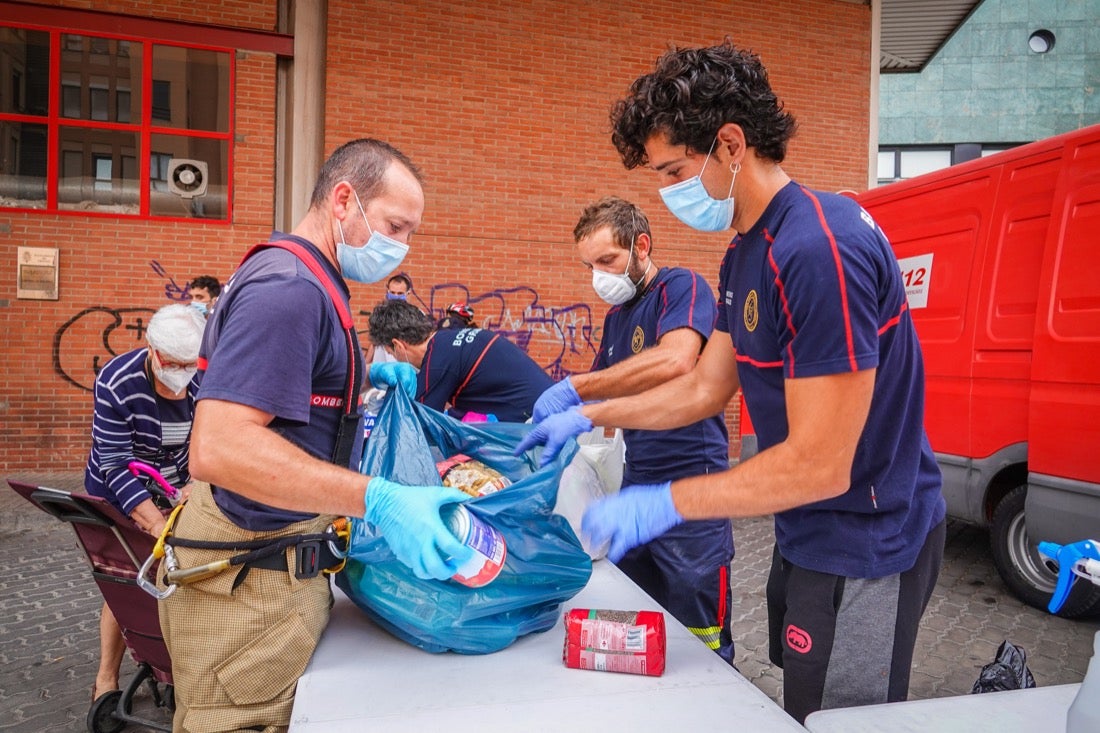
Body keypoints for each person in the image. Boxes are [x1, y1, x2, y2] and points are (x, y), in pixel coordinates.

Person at [518, 41, 946, 724]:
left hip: (868, 539)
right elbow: (703, 389)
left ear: (731, 143)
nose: (667, 191)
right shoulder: (747, 249)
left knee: (836, 716)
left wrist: (670, 502)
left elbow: (821, 461)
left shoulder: (815, 250)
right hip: (809, 532)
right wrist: (589, 410)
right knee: (798, 695)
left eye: (675, 170)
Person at [160, 138, 475, 732]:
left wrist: (357, 387)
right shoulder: (290, 290)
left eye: (411, 233)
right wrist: (376, 499)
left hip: (268, 566)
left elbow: (285, 402)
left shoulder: (305, 276)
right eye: (394, 226)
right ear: (344, 199)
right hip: (249, 587)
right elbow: (219, 447)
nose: (402, 247)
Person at [532, 196, 735, 662]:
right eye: (589, 266)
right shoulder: (616, 316)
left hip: (692, 496)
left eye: (607, 261)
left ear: (641, 246)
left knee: (700, 628)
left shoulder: (678, 287)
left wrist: (575, 391)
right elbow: (607, 394)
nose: (598, 276)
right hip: (637, 483)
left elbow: (676, 358)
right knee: (634, 612)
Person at [83, 303, 205, 701]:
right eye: (174, 364)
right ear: (152, 351)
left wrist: (196, 483)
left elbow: (212, 437)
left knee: (182, 578)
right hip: (122, 491)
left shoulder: (204, 376)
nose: (183, 375)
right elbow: (116, 465)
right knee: (125, 578)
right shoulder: (118, 381)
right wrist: (157, 526)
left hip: (177, 485)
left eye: (190, 365)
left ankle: (175, 667)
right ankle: (106, 678)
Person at [369, 298, 552, 422]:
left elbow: (418, 424)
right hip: (552, 407)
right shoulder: (449, 343)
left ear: (398, 346)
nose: (395, 359)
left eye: (391, 353)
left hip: (540, 423)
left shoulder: (437, 361)